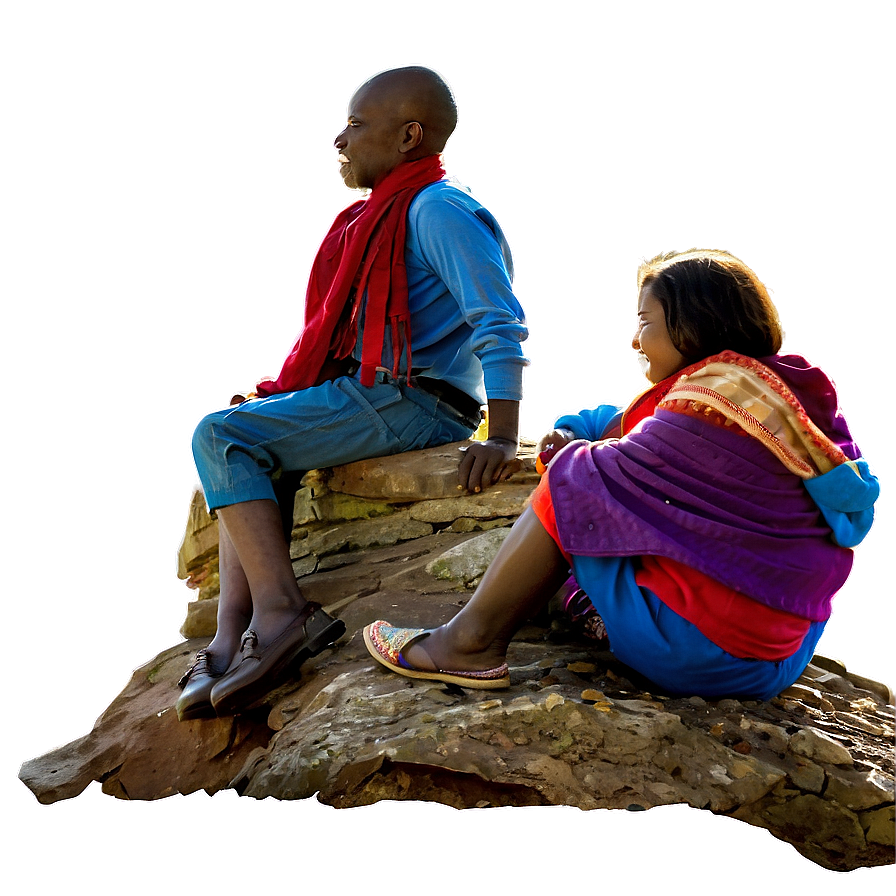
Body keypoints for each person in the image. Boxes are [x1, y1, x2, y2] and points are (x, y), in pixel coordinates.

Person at [364, 249, 880, 701]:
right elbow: (620, 423)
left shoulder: (703, 404)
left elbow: (594, 471)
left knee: (575, 480)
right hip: (774, 663)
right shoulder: (781, 398)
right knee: (600, 478)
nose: (636, 341)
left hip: (700, 654)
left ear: (692, 323)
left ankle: (467, 644)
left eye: (645, 321)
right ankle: (583, 607)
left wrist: (568, 454)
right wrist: (573, 429)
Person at [176, 64, 530, 721]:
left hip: (416, 404)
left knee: (218, 436)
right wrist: (281, 405)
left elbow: (497, 319)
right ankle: (229, 637)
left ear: (408, 136)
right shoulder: (369, 220)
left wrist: (504, 436)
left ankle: (283, 615)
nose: (340, 139)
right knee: (245, 434)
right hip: (372, 393)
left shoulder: (438, 208)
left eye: (358, 125)